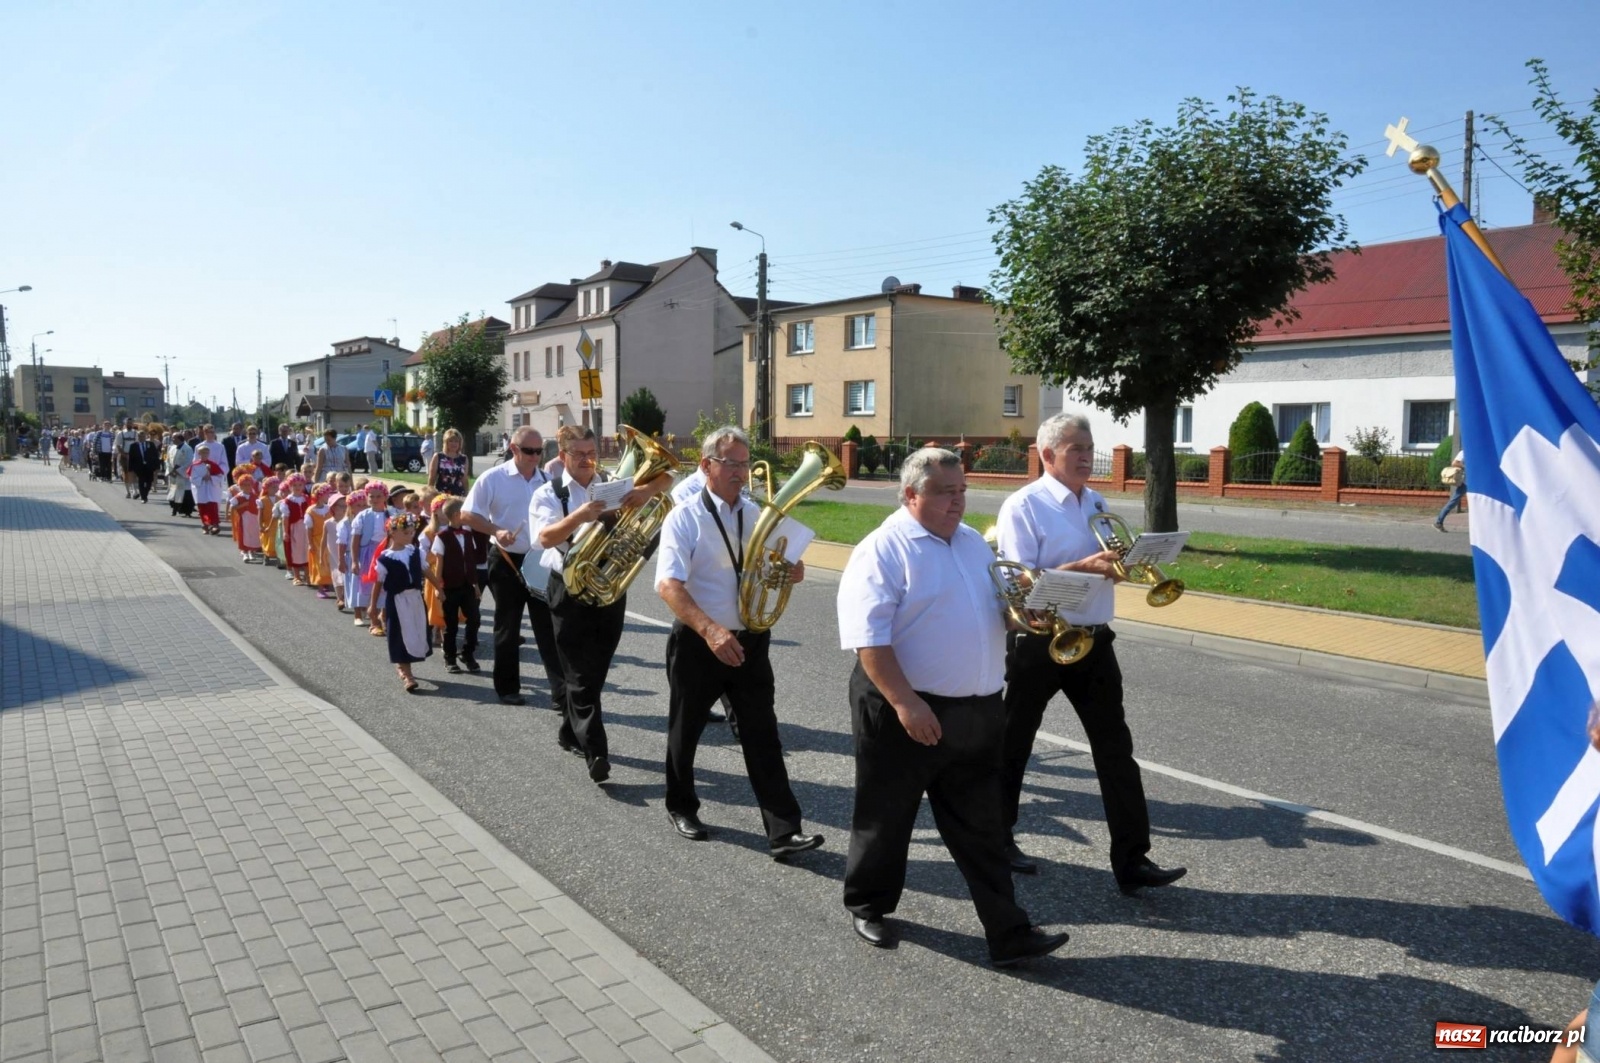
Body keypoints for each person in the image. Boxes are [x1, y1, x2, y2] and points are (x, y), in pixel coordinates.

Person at [836, 447, 1069, 966]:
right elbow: (868, 640)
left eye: (962, 491)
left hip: (977, 709)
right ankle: (869, 905)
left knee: (983, 826)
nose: (958, 501)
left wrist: (1024, 617)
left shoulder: (972, 544)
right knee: (887, 816)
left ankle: (1009, 934)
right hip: (904, 707)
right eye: (946, 492)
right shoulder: (883, 549)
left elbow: (994, 613)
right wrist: (906, 703)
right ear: (910, 494)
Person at [994, 412, 1186, 894]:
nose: (1086, 456)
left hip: (1095, 640)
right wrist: (1087, 566)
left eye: (1089, 446)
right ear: (1047, 455)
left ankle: (1133, 859)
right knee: (1013, 744)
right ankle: (996, 839)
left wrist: (1125, 566)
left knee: (1116, 750)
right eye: (1075, 448)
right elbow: (1019, 581)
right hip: (1042, 642)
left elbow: (1105, 569)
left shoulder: (1096, 501)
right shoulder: (1024, 505)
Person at [654, 425, 824, 856]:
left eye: (745, 464)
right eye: (732, 463)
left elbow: (772, 568)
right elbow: (669, 586)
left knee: (763, 735)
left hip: (751, 640)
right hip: (699, 641)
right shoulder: (684, 517)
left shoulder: (757, 514)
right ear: (707, 466)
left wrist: (793, 571)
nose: (741, 472)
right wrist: (711, 631)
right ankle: (681, 806)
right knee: (685, 731)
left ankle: (784, 831)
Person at [531, 425, 670, 783]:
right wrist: (580, 515)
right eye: (578, 454)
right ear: (562, 455)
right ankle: (597, 751)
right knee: (579, 673)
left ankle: (569, 731)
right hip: (568, 588)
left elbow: (668, 478)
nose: (587, 460)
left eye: (591, 452)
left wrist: (645, 491)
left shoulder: (611, 482)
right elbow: (543, 538)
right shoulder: (549, 493)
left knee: (595, 671)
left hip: (609, 585)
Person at [462, 426, 554, 706]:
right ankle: (507, 688)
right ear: (513, 449)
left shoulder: (548, 480)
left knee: (549, 629)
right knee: (508, 627)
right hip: (506, 559)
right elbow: (467, 514)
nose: (535, 456)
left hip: (540, 560)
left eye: (539, 451)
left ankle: (562, 693)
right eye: (529, 451)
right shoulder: (493, 478)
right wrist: (496, 530)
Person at [378, 513, 440, 693]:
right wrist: (374, 606)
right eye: (406, 533)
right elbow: (378, 584)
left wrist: (440, 589)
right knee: (399, 633)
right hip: (396, 601)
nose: (410, 536)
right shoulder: (385, 558)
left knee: (414, 631)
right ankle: (407, 674)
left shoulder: (415, 553)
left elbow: (427, 572)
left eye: (412, 533)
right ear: (392, 533)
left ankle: (404, 665)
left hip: (415, 599)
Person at [431, 498, 484, 675]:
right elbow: (439, 564)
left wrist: (475, 584)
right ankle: (450, 658)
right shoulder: (442, 537)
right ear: (456, 515)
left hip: (468, 585)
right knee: (451, 624)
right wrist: (438, 588)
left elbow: (470, 562)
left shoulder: (468, 535)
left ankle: (467, 654)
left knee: (474, 619)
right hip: (450, 586)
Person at [186, 443, 227, 535]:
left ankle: (215, 524)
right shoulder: (195, 465)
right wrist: (202, 478)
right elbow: (192, 478)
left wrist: (211, 478)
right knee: (202, 507)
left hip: (211, 488)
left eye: (206, 453)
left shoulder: (213, 464)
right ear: (199, 454)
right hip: (201, 489)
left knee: (212, 506)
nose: (204, 455)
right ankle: (205, 525)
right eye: (202, 453)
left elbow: (220, 476)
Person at [428, 428, 470, 496]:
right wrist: (429, 494)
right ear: (446, 442)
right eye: (451, 441)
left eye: (456, 441)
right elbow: (432, 478)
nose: (454, 443)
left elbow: (464, 479)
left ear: (460, 443)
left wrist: (467, 495)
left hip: (459, 496)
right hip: (442, 495)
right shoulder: (438, 456)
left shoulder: (464, 458)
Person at [126, 428, 162, 503]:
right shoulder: (133, 446)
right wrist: (130, 469)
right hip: (139, 467)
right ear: (137, 437)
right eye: (139, 436)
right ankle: (143, 498)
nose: (141, 438)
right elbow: (131, 458)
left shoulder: (150, 444)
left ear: (145, 437)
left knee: (149, 481)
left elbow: (155, 456)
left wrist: (157, 466)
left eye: (143, 436)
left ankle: (144, 493)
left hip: (149, 467)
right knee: (141, 481)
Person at [1435, 448, 1466, 531]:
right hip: (1466, 482)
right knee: (1453, 501)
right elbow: (1455, 463)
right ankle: (1438, 522)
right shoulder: (1464, 452)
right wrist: (1466, 467)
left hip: (1474, 481)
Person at [167, 432, 196, 517]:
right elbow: (168, 460)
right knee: (174, 492)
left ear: (179, 438)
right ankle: (174, 509)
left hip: (182, 475)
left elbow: (189, 461)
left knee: (185, 493)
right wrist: (171, 470)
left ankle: (187, 511)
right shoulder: (172, 448)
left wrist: (179, 470)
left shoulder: (187, 448)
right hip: (174, 474)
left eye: (174, 438)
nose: (172, 439)